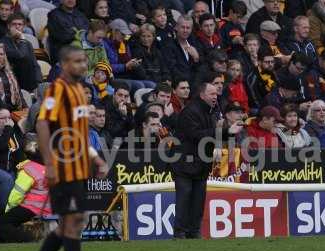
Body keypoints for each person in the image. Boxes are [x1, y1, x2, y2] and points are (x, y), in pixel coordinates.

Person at [15, 45, 110, 251]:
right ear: (65, 64)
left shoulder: (79, 91)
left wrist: (95, 158)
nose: (82, 65)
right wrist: (49, 163)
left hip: (78, 169)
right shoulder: (56, 89)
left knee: (72, 224)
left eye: (84, 61)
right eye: (77, 61)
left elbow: (76, 134)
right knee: (71, 225)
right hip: (62, 168)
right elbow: (43, 123)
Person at [172, 82, 243, 239]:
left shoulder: (212, 111)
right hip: (184, 163)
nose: (215, 96)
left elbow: (213, 134)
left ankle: (194, 231)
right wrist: (225, 131)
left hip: (201, 163)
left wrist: (229, 133)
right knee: (184, 198)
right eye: (212, 94)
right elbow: (196, 135)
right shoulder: (190, 111)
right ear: (202, 95)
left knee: (198, 199)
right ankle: (180, 233)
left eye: (216, 94)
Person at [0, 133, 52, 243]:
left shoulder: (29, 168)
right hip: (47, 207)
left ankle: (28, 239)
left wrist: (8, 210)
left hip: (32, 207)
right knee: (7, 224)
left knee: (1, 223)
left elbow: (17, 194)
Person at [102, 19, 156, 92]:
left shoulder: (124, 44)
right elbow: (105, 66)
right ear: (114, 32)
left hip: (127, 75)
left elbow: (128, 61)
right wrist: (125, 66)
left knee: (152, 85)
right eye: (122, 34)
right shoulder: (104, 44)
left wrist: (134, 64)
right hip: (114, 77)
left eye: (125, 34)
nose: (124, 37)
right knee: (139, 85)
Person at [0, 104, 23, 215]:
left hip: (8, 169)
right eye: (3, 118)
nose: (7, 121)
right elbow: (0, 145)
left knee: (24, 179)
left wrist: (24, 167)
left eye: (9, 118)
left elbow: (18, 150)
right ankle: (5, 214)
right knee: (7, 179)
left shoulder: (10, 132)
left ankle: (21, 214)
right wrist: (9, 128)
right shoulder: (2, 131)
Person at [1, 12, 42, 92]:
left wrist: (39, 82)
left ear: (23, 27)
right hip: (13, 80)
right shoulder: (3, 43)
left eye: (20, 24)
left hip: (28, 81)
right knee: (25, 62)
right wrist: (22, 38)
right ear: (8, 26)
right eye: (14, 24)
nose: (17, 27)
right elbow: (20, 55)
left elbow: (35, 64)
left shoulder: (27, 43)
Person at [163, 14, 200, 82]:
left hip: (195, 82)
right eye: (183, 27)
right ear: (176, 27)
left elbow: (200, 68)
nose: (185, 30)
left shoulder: (195, 43)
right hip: (178, 82)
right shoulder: (169, 45)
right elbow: (172, 68)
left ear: (191, 29)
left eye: (188, 28)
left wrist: (196, 59)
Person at [0, 43, 24, 112]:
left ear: (4, 56)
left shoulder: (9, 72)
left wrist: (25, 106)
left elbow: (18, 91)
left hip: (15, 108)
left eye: (1, 54)